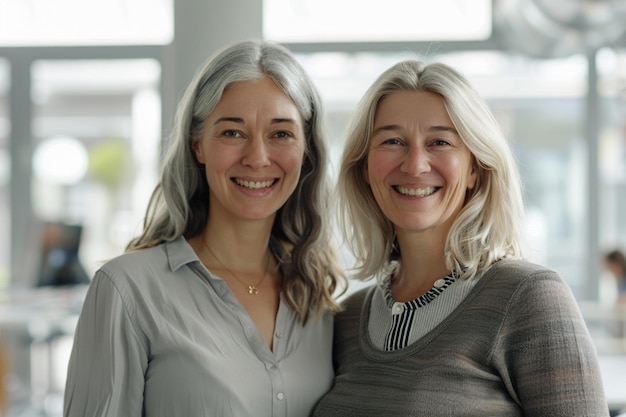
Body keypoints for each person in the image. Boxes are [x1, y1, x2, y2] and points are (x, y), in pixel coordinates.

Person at [64, 39, 345, 417]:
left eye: (281, 134)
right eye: (232, 132)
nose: (257, 158)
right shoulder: (128, 290)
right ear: (198, 144)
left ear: (306, 149)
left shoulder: (319, 298)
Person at [312, 60, 609, 416]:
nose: (415, 164)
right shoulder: (347, 318)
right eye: (392, 141)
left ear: (474, 168)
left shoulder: (528, 298)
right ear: (363, 169)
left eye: (439, 142)